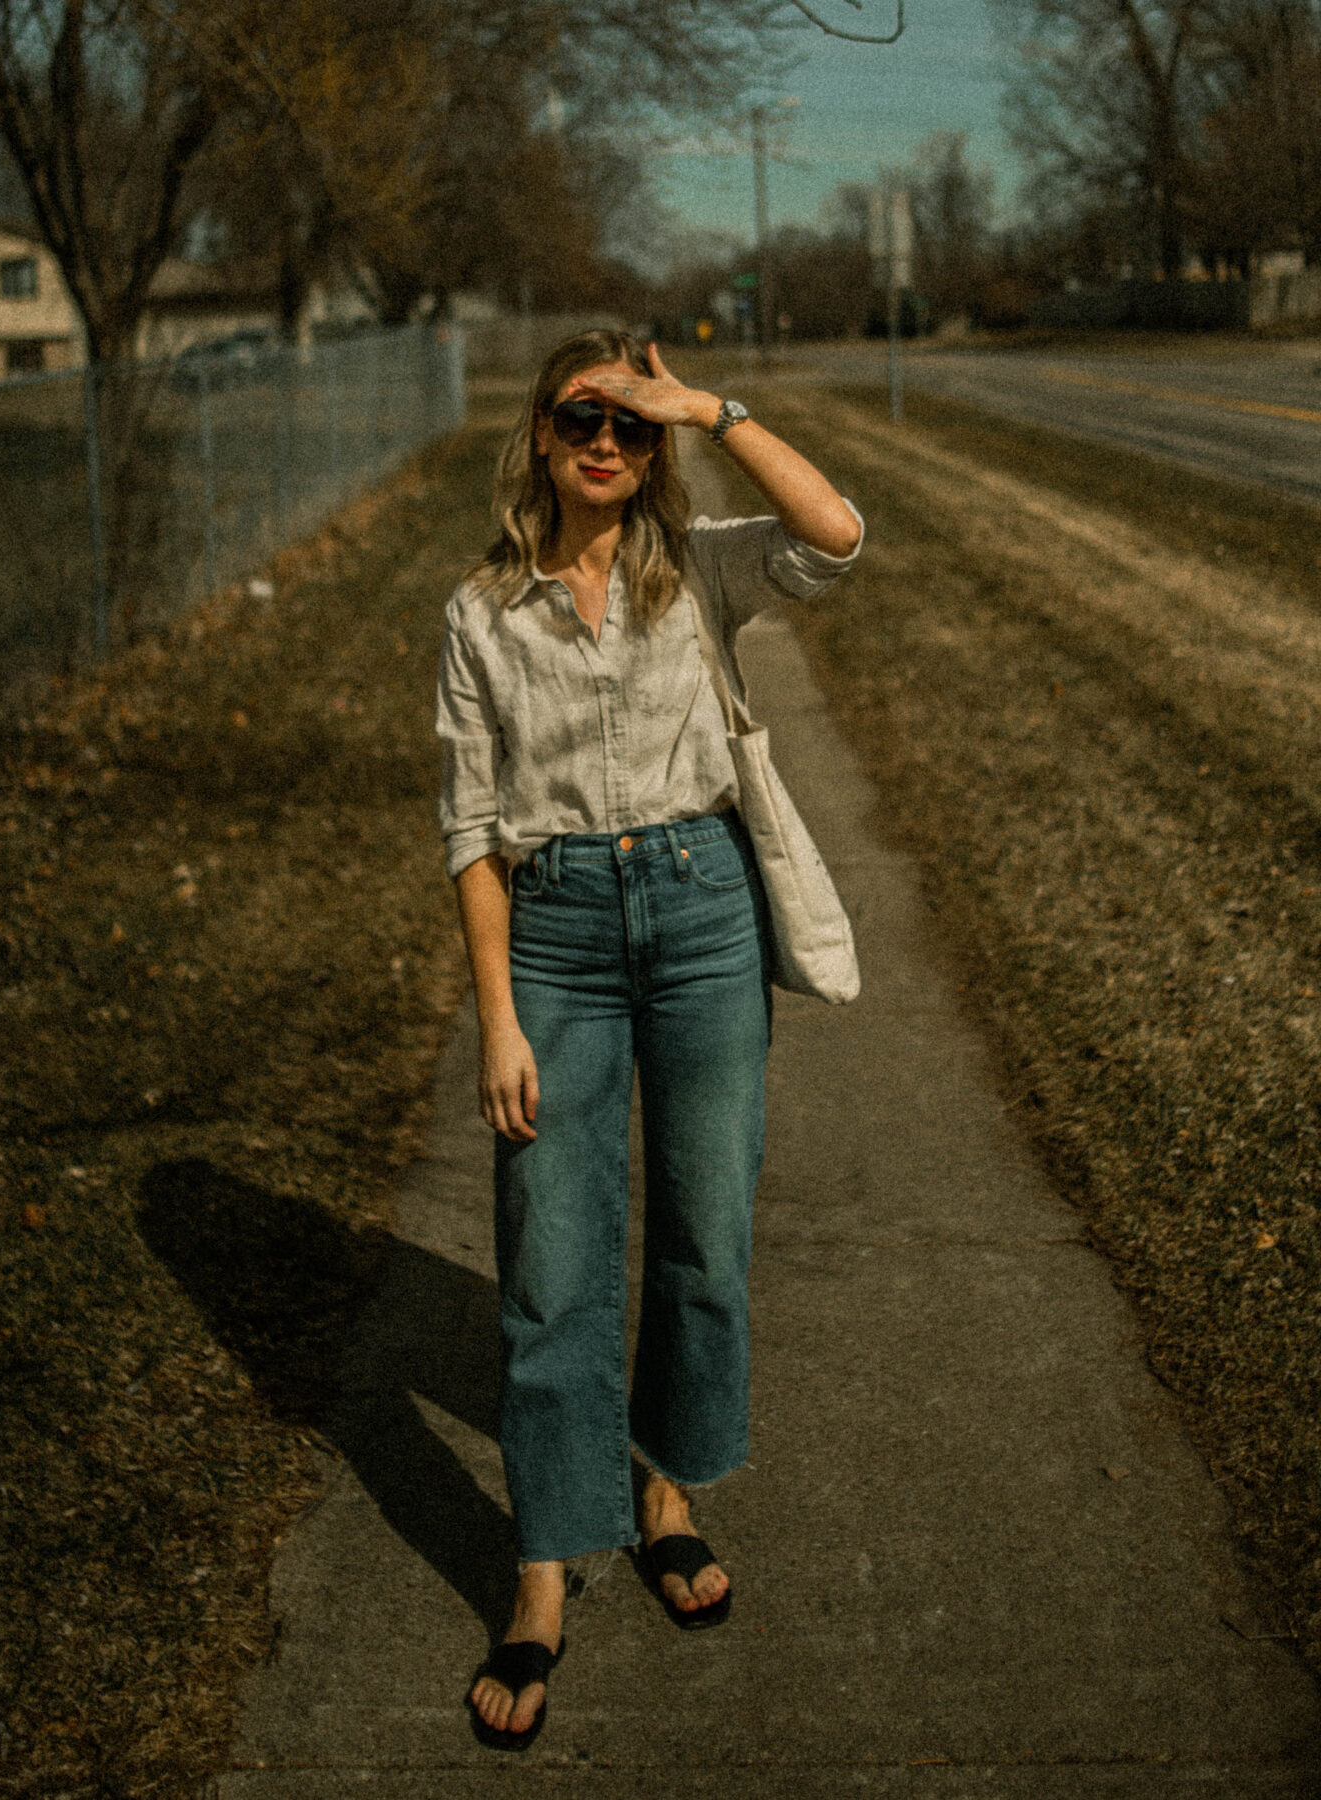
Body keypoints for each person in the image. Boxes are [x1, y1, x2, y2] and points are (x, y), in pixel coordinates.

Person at [436, 330, 862, 1751]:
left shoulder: (705, 570)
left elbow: (840, 533)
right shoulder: (482, 614)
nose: (606, 442)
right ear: (542, 436)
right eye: (582, 417)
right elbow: (472, 833)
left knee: (704, 1233)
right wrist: (498, 1019)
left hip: (700, 918)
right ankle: (545, 1569)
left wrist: (717, 408)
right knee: (550, 1260)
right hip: (552, 933)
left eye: (630, 422)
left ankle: (668, 1492)